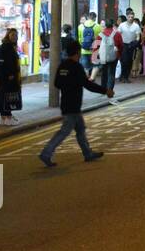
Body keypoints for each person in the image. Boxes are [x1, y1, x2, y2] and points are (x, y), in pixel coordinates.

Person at [39, 38, 111, 168]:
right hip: (73, 104)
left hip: (67, 102)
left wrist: (68, 84)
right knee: (64, 131)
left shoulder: (63, 65)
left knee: (80, 129)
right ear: (77, 52)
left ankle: (87, 153)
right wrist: (105, 90)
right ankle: (46, 153)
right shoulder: (77, 67)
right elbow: (87, 84)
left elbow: (57, 83)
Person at [0, 28, 22, 125]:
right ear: (8, 36)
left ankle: (4, 116)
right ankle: (0, 116)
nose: (15, 37)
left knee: (5, 96)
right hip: (7, 77)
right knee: (4, 96)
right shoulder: (6, 47)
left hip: (8, 76)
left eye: (16, 35)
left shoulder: (11, 47)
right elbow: (7, 63)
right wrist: (10, 74)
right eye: (12, 35)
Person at [118, 11, 142, 82]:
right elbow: (118, 34)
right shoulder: (122, 25)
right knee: (124, 61)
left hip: (132, 45)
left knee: (130, 61)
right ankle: (122, 76)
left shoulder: (136, 26)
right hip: (123, 45)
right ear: (127, 17)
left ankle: (126, 77)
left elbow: (138, 36)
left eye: (132, 17)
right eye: (129, 17)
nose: (131, 18)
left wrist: (135, 42)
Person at [97, 20, 119, 91]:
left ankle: (103, 89)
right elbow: (121, 45)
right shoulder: (117, 34)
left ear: (105, 25)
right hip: (114, 56)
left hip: (103, 56)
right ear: (112, 25)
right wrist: (119, 54)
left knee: (104, 72)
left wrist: (96, 55)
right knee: (111, 73)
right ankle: (109, 90)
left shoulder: (100, 34)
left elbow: (96, 45)